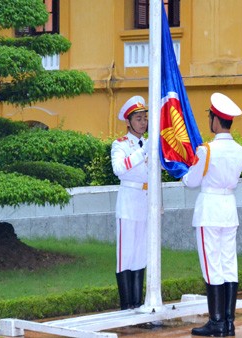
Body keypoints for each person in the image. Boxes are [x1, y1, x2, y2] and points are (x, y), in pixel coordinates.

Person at [182, 93, 242, 337]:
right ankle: (228, 321)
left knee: (212, 266)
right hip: (229, 208)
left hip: (209, 209)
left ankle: (216, 321)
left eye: (210, 117)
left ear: (216, 121)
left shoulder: (206, 150)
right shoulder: (240, 151)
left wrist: (183, 174)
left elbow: (192, 181)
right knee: (229, 264)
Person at [110, 95, 149, 309]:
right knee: (126, 254)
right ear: (128, 122)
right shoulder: (121, 144)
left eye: (145, 118)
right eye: (138, 118)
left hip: (145, 201)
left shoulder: (149, 143)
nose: (143, 122)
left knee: (141, 254)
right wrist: (143, 151)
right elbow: (119, 169)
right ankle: (126, 305)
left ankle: (137, 302)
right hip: (128, 202)